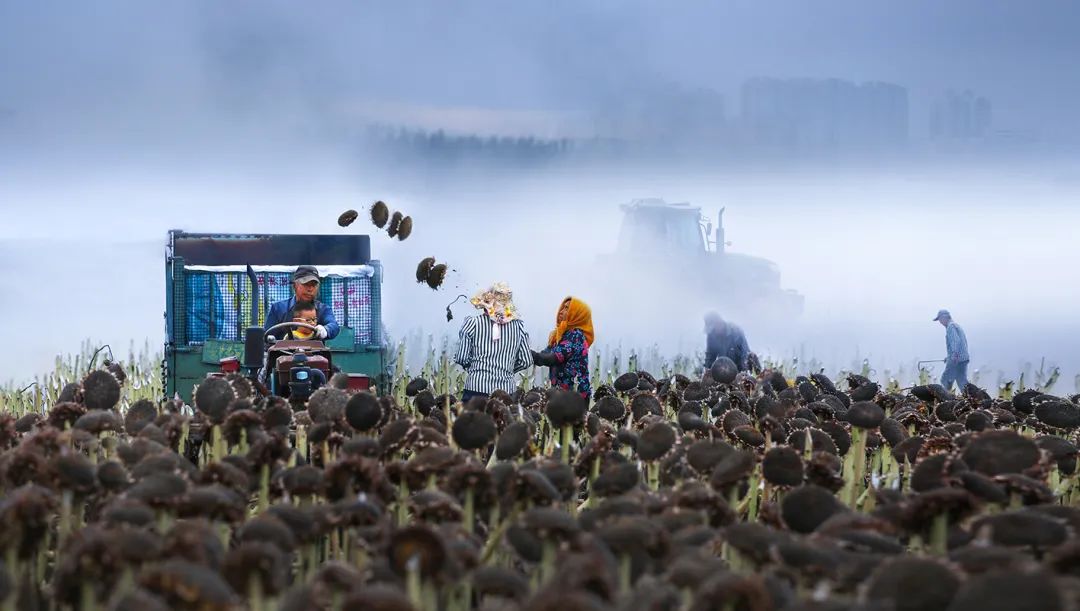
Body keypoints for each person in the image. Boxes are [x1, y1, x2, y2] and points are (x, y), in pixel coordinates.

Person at [454, 282, 533, 403]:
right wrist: (507, 370)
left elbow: (462, 357)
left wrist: (475, 368)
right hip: (506, 392)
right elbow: (526, 360)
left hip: (476, 389)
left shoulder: (473, 323)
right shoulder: (518, 327)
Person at [532, 296, 594, 400]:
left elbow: (553, 358)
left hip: (575, 399)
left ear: (577, 315)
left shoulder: (576, 335)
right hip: (561, 396)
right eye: (563, 307)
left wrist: (528, 354)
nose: (561, 311)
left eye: (567, 308)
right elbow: (544, 354)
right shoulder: (561, 335)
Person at [264, 265, 340, 341]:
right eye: (306, 284)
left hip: (314, 352)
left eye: (313, 285)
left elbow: (334, 326)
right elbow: (267, 337)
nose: (310, 289)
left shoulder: (324, 309)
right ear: (295, 286)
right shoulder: (278, 308)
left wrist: (325, 330)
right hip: (282, 352)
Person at [933, 309, 970, 391]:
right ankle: (971, 398)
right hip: (963, 358)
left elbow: (955, 341)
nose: (940, 322)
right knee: (962, 381)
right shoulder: (956, 325)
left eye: (940, 319)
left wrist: (954, 355)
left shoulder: (950, 327)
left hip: (956, 359)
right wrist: (948, 357)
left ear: (944, 317)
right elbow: (961, 343)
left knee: (945, 380)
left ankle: (945, 398)